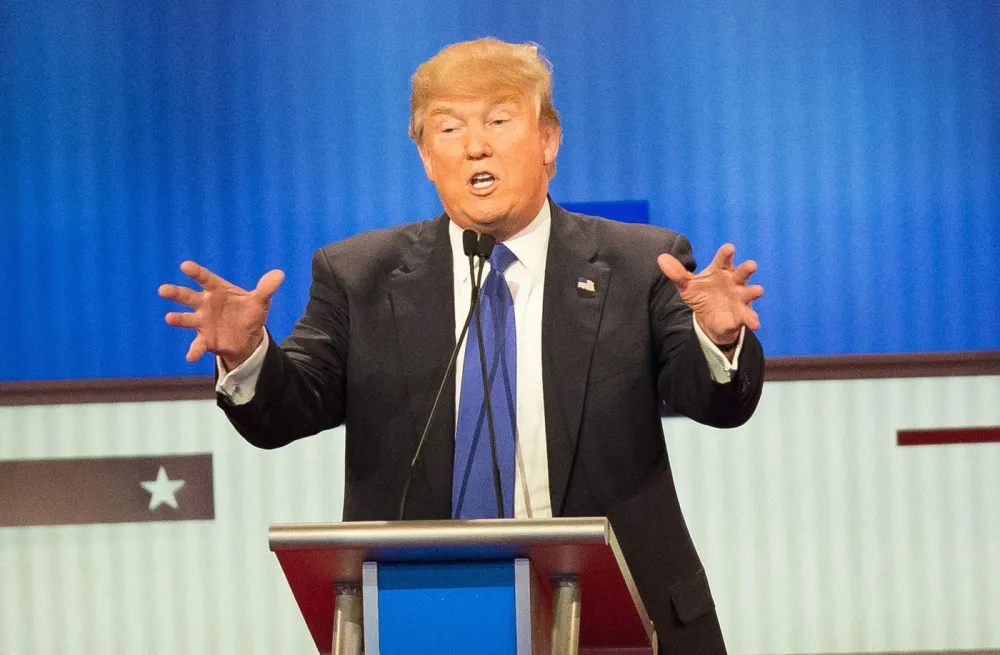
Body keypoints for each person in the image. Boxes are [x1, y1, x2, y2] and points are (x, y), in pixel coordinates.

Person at [159, 38, 764, 653]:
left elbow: (717, 401)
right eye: (448, 128)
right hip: (425, 617)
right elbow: (289, 409)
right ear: (425, 155)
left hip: (622, 620)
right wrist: (248, 353)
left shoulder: (638, 263)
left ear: (548, 141)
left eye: (499, 121)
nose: (475, 145)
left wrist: (719, 338)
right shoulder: (358, 274)